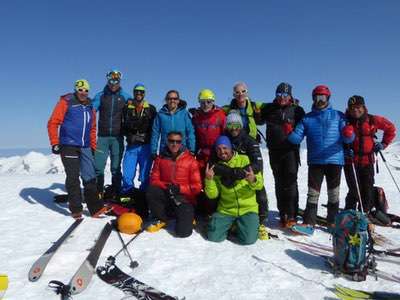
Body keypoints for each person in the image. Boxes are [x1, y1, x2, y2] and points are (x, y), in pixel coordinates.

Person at [288, 85, 353, 235]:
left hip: (335, 160)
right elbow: (297, 139)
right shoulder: (307, 118)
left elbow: (348, 138)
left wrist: (349, 133)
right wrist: (290, 133)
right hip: (316, 161)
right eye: (317, 97)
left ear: (328, 98)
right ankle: (309, 223)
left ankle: (332, 222)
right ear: (313, 99)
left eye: (323, 97)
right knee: (313, 194)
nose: (320, 100)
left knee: (334, 194)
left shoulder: (339, 116)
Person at [47, 79, 107, 219]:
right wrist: (55, 143)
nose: (83, 93)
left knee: (90, 176)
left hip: (85, 145)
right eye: (80, 90)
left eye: (86, 90)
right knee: (73, 177)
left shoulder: (90, 106)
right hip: (68, 145)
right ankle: (76, 209)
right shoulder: (66, 102)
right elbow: (52, 123)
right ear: (76, 89)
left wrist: (92, 145)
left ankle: (95, 208)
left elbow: (92, 128)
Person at [255, 82, 305, 228]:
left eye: (285, 95)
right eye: (279, 95)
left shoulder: (297, 110)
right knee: (279, 182)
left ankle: (292, 215)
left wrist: (295, 133)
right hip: (274, 151)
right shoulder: (270, 108)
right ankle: (283, 213)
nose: (282, 97)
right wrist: (258, 114)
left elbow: (306, 126)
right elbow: (259, 121)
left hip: (290, 151)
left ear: (290, 95)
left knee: (290, 182)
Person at [205, 136, 264, 245]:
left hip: (248, 209)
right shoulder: (216, 167)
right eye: (218, 149)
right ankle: (233, 225)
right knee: (213, 237)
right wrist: (209, 180)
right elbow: (212, 195)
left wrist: (253, 180)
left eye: (225, 148)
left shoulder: (245, 160)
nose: (222, 152)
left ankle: (241, 225)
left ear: (231, 148)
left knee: (248, 240)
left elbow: (259, 185)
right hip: (226, 209)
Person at [343, 95, 396, 214]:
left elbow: (391, 128)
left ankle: (365, 213)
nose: (355, 110)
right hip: (350, 160)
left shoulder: (372, 119)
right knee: (354, 189)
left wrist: (383, 144)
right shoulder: (344, 121)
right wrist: (343, 149)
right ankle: (349, 213)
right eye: (352, 108)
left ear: (363, 107)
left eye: (358, 107)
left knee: (367, 189)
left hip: (368, 160)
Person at [219, 112, 269, 239]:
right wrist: (230, 173)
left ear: (240, 126)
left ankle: (261, 222)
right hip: (229, 175)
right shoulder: (224, 139)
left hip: (247, 175)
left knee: (261, 195)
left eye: (236, 125)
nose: (233, 128)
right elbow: (215, 161)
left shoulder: (249, 141)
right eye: (230, 125)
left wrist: (241, 172)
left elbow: (257, 163)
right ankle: (227, 220)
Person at [146, 131, 202, 237]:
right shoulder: (160, 159)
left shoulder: (191, 161)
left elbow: (197, 187)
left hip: (184, 198)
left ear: (181, 143)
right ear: (167, 142)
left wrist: (179, 188)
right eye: (171, 141)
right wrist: (167, 187)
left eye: (178, 141)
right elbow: (154, 179)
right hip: (167, 193)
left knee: (183, 233)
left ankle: (188, 216)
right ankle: (162, 218)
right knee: (152, 190)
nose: (174, 144)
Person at [92, 70, 131, 198]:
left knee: (115, 167)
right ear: (107, 80)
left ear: (120, 81)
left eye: (116, 80)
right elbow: (91, 111)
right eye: (111, 80)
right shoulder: (101, 95)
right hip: (102, 137)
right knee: (98, 166)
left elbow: (135, 108)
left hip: (117, 137)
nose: (113, 83)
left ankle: (116, 192)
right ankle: (98, 192)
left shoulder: (125, 96)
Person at [121, 83, 157, 194]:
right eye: (136, 91)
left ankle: (143, 195)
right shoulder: (127, 108)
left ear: (144, 94)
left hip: (145, 146)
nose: (139, 93)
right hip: (132, 146)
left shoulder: (151, 109)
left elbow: (155, 128)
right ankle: (127, 193)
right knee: (127, 174)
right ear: (133, 93)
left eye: (141, 92)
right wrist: (129, 134)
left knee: (144, 175)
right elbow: (121, 126)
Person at [150, 90, 196, 157]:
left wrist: (192, 149)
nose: (172, 101)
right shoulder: (160, 115)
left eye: (175, 98)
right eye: (170, 99)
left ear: (178, 100)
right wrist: (153, 151)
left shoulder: (184, 114)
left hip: (182, 150)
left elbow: (190, 132)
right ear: (166, 100)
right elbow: (155, 133)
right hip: (165, 150)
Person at [190, 89, 226, 172]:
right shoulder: (196, 117)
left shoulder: (220, 115)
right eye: (203, 102)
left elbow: (225, 135)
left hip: (217, 153)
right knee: (200, 178)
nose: (206, 104)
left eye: (208, 102)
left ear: (213, 102)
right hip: (201, 154)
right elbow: (193, 136)